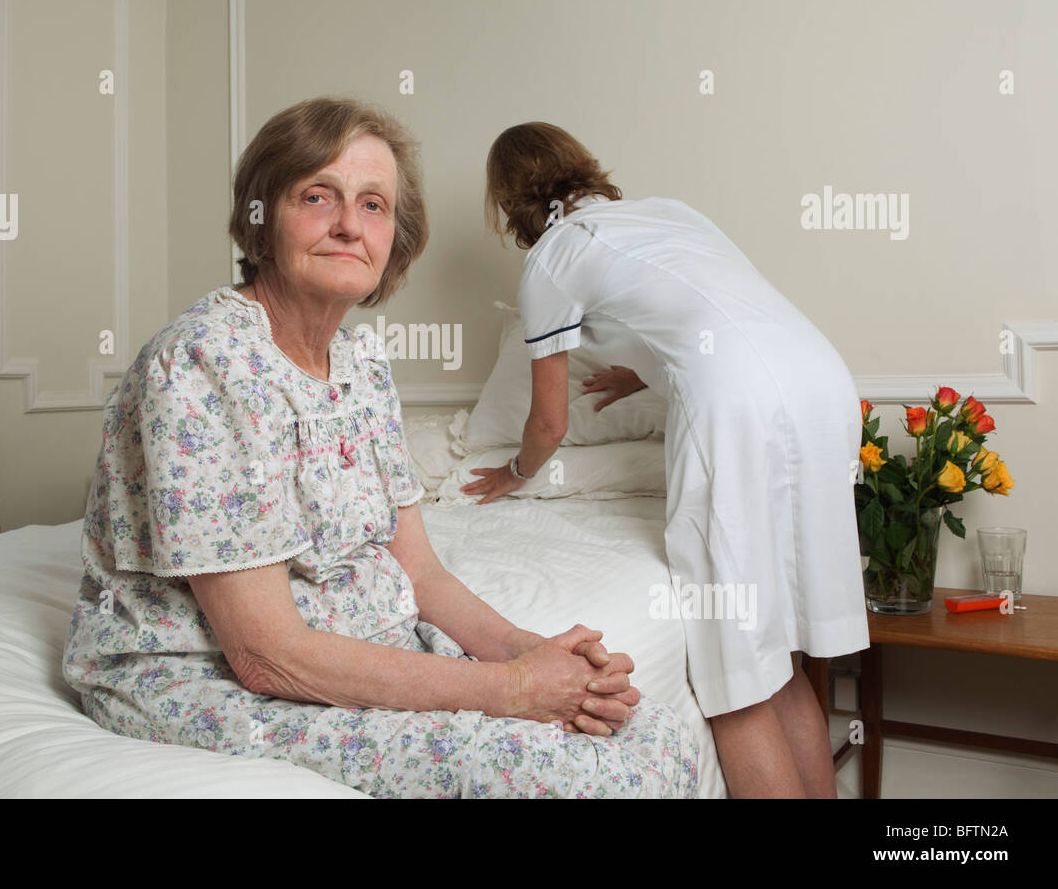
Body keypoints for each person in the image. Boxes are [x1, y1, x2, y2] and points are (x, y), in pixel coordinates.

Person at [61, 97, 698, 798]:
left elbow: (419, 573)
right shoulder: (204, 364)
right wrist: (510, 688)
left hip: (365, 643)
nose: (347, 225)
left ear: (395, 237)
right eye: (316, 196)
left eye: (372, 205)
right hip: (205, 673)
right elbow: (267, 655)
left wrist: (532, 652)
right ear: (261, 219)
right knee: (580, 780)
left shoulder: (362, 366)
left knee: (651, 736)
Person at [462, 121, 869, 798]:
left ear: (510, 201)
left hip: (737, 406)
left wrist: (516, 473)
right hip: (823, 383)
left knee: (735, 673)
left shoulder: (554, 258)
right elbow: (727, 317)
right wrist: (646, 371)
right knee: (778, 656)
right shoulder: (668, 215)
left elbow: (548, 421)